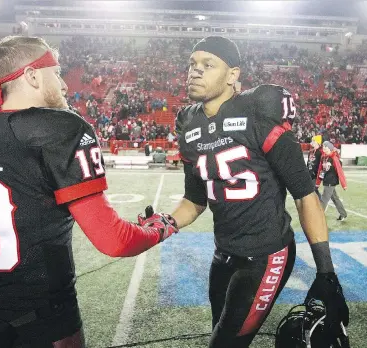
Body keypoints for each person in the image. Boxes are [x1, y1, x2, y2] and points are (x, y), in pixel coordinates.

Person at [0, 36, 178, 348]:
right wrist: (161, 227)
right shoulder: (59, 129)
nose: (64, 85)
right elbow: (115, 241)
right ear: (33, 76)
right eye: (57, 73)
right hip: (40, 323)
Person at [138, 36, 349, 348]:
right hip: (224, 254)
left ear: (232, 75)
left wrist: (326, 272)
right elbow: (195, 201)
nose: (195, 72)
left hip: (267, 255)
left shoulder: (258, 110)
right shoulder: (189, 124)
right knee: (221, 334)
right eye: (192, 65)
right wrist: (163, 224)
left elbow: (305, 195)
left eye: (208, 65)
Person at [316, 141, 348, 221]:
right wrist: (317, 182)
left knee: (324, 199)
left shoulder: (334, 158)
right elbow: (320, 170)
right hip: (326, 180)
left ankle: (318, 217)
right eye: (323, 147)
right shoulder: (323, 157)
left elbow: (339, 171)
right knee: (335, 198)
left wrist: (344, 184)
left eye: (325, 147)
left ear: (329, 148)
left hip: (331, 181)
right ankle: (343, 214)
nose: (324, 148)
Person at [307, 135, 323, 200]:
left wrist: (319, 174)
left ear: (318, 143)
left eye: (314, 141)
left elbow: (321, 164)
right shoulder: (310, 152)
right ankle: (321, 200)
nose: (312, 142)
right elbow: (308, 163)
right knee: (313, 190)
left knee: (312, 189)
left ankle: (321, 201)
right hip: (309, 173)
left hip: (316, 174)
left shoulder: (320, 152)